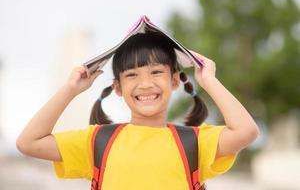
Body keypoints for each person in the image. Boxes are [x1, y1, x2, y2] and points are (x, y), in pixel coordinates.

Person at [16, 32, 259, 189]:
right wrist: (70, 89)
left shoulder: (194, 142)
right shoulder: (98, 140)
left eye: (156, 72)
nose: (145, 84)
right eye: (132, 75)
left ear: (174, 81)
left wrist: (209, 81)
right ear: (118, 87)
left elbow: (246, 131)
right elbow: (29, 142)